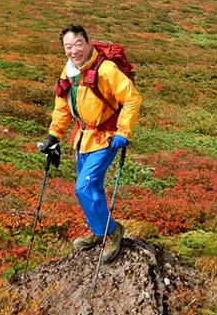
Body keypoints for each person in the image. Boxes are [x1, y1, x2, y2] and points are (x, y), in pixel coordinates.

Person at [38, 24, 142, 263]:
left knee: (83, 188)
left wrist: (124, 131)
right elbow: (63, 107)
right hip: (82, 139)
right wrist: (54, 137)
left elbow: (132, 99)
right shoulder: (69, 72)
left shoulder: (105, 69)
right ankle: (99, 231)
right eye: (68, 46)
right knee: (92, 189)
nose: (74, 51)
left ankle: (113, 232)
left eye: (78, 44)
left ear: (88, 43)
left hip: (106, 138)